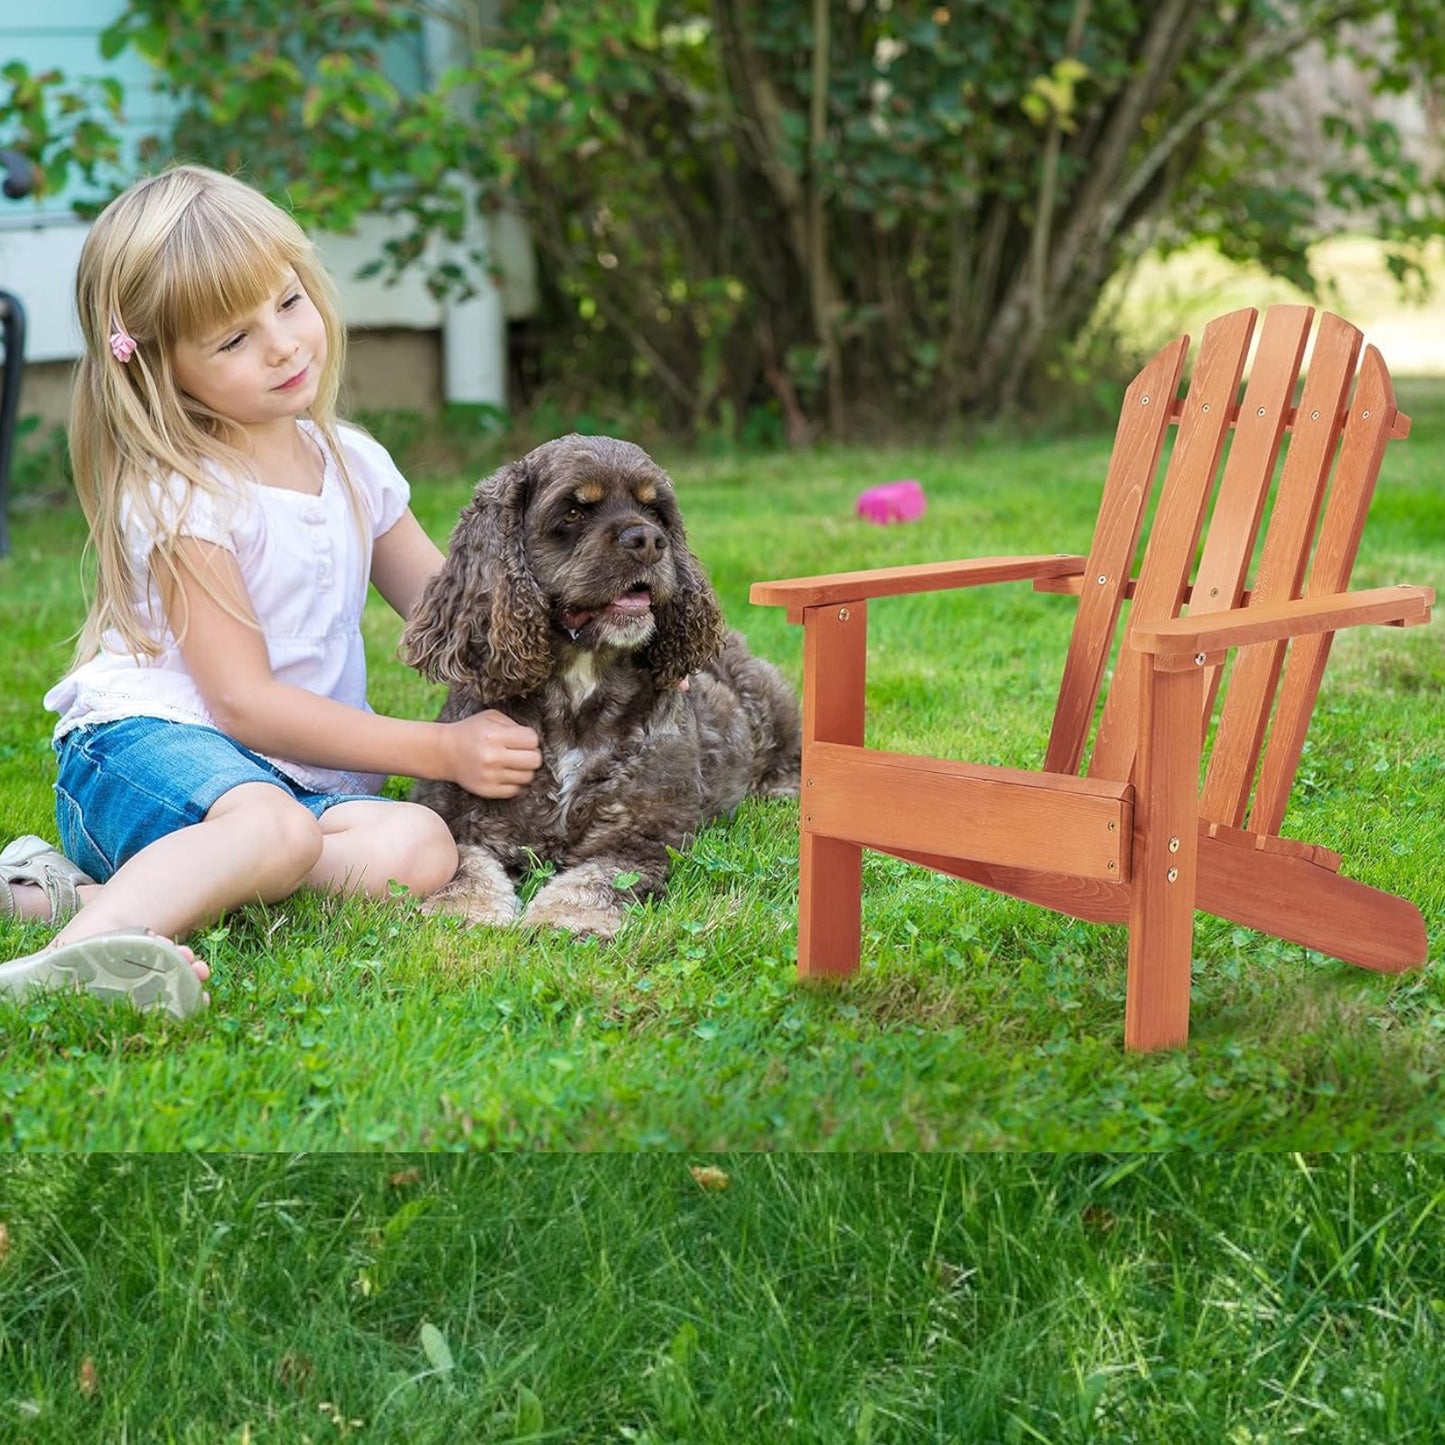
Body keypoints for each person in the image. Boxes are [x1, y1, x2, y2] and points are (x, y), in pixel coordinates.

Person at [0, 164, 542, 1018]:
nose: (284, 344)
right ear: (160, 366)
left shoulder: (351, 462)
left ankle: (76, 896)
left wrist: (601, 647)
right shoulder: (187, 492)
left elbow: (458, 617)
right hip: (149, 748)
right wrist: (438, 751)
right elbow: (244, 704)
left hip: (291, 784)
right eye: (232, 340)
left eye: (287, 303)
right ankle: (70, 964)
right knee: (274, 832)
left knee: (418, 846)